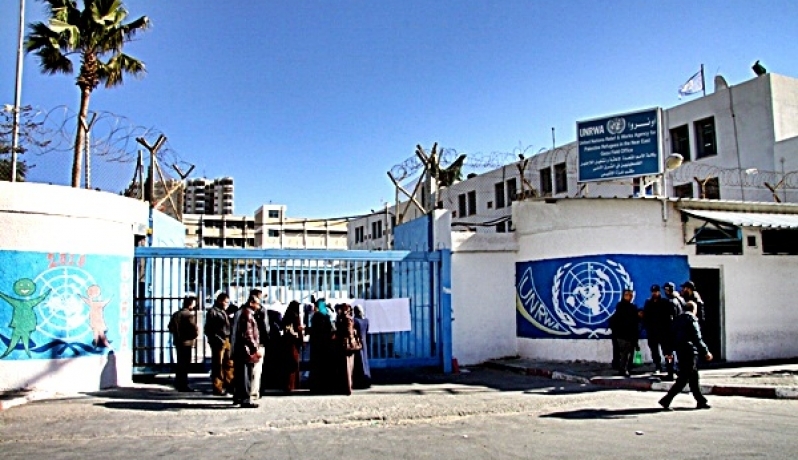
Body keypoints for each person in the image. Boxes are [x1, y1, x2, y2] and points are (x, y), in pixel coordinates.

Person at [658, 301, 713, 410]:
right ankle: (666, 400)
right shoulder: (691, 320)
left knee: (694, 378)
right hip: (690, 351)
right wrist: (705, 351)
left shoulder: (677, 320)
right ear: (694, 309)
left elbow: (670, 336)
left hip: (680, 351)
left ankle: (700, 401)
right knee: (684, 378)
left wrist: (669, 351)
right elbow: (697, 337)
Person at [642, 285, 679, 380]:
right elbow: (646, 316)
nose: (655, 293)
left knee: (668, 352)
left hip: (664, 332)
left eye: (656, 291)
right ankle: (658, 366)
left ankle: (670, 367)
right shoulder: (648, 302)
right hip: (652, 332)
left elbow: (671, 316)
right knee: (654, 351)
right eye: (653, 292)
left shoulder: (665, 302)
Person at [232, 296, 261, 408]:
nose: (258, 306)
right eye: (257, 304)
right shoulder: (247, 314)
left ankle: (238, 396)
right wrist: (255, 348)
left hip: (241, 349)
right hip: (246, 350)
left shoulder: (242, 313)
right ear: (251, 303)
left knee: (240, 374)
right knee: (245, 375)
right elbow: (248, 334)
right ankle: (245, 399)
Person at [204, 292, 233, 396]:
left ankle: (229, 385)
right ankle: (218, 387)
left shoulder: (224, 311)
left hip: (227, 338)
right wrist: (216, 339)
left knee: (229, 363)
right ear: (220, 300)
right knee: (218, 365)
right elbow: (209, 329)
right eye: (226, 302)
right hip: (219, 340)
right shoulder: (213, 312)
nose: (227, 304)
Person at [168, 295, 199, 392]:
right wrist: (194, 335)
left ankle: (178, 382)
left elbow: (170, 327)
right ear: (190, 304)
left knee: (180, 363)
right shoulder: (189, 315)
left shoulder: (176, 314)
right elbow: (193, 328)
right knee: (185, 364)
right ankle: (183, 384)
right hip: (186, 342)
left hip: (178, 341)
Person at [609, 289, 640, 377]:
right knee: (625, 353)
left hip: (630, 335)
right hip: (623, 335)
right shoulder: (622, 306)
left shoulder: (632, 307)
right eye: (627, 295)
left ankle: (626, 368)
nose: (629, 297)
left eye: (631, 295)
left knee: (628, 353)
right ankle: (623, 369)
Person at [308, 299, 335, 394]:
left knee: (316, 366)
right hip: (326, 344)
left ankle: (316, 386)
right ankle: (326, 386)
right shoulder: (327, 316)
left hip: (316, 345)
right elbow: (331, 329)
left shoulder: (315, 317)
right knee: (325, 366)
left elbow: (313, 330)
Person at [333, 303, 358, 395]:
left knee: (346, 367)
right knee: (347, 367)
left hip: (346, 345)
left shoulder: (345, 318)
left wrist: (337, 334)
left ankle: (347, 388)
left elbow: (348, 332)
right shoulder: (346, 318)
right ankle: (346, 387)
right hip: (347, 345)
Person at [280, 301, 304, 392]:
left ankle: (287, 384)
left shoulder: (287, 315)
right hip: (294, 343)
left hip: (286, 342)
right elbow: (297, 329)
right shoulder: (295, 316)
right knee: (293, 363)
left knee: (287, 363)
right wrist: (300, 339)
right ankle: (292, 385)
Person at [352, 305, 371, 390]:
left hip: (358, 343)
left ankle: (359, 381)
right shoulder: (366, 320)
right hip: (364, 342)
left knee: (359, 362)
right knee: (365, 361)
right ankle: (367, 379)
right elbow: (366, 331)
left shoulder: (355, 321)